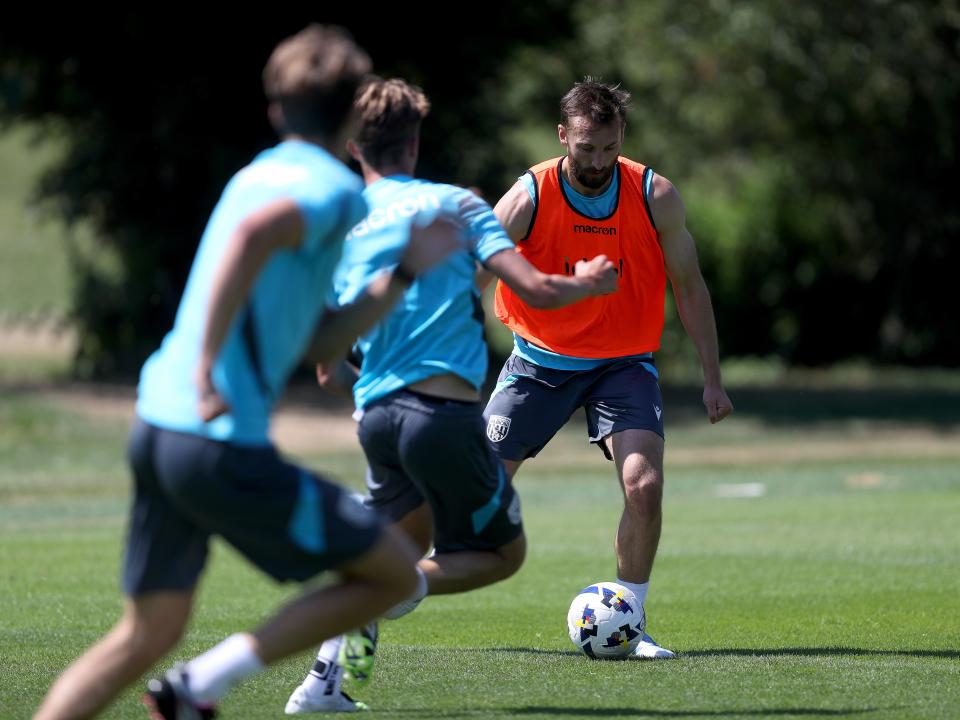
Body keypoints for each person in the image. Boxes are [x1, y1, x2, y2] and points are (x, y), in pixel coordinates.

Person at [33, 25, 461, 720]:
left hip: (158, 429)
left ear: (274, 110)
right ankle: (200, 686)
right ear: (355, 114)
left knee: (148, 631)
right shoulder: (331, 191)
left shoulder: (253, 173)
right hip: (217, 441)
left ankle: (182, 683)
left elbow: (318, 338)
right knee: (387, 573)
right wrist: (208, 370)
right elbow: (250, 237)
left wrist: (404, 274)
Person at [283, 77, 618, 714]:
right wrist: (592, 283)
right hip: (440, 415)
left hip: (376, 418)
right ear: (414, 143)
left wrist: (379, 401)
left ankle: (330, 684)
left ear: (355, 147)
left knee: (395, 545)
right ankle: (392, 588)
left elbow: (327, 369)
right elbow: (538, 291)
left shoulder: (338, 227)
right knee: (498, 555)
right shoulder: (456, 205)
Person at [483, 77, 734, 660]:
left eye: (608, 147)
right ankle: (406, 579)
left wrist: (712, 377)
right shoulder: (529, 196)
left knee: (644, 486)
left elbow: (689, 286)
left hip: (623, 364)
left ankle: (631, 617)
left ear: (622, 137)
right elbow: (474, 270)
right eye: (585, 147)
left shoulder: (653, 194)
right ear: (563, 136)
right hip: (538, 362)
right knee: (478, 490)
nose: (597, 161)